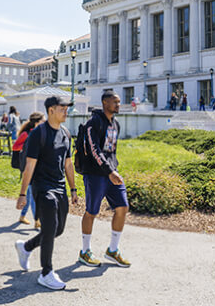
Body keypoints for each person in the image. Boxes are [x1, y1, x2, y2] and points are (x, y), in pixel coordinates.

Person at [14, 96, 78, 290]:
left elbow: (68, 164)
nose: (66, 111)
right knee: (49, 228)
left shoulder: (66, 133)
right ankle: (46, 272)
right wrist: (23, 193)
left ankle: (26, 247)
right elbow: (29, 165)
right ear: (51, 110)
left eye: (67, 108)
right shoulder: (38, 134)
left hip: (60, 187)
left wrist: (73, 189)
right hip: (42, 187)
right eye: (62, 108)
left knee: (58, 230)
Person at [78, 90, 131, 269]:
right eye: (115, 102)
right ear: (105, 103)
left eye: (118, 102)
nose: (118, 105)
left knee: (122, 207)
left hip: (111, 173)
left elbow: (112, 151)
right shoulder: (94, 122)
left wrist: (113, 169)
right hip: (95, 174)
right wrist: (109, 171)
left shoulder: (116, 124)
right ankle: (85, 252)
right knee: (91, 211)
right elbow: (94, 150)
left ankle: (113, 250)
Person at [12, 111, 45, 226]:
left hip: (37, 167)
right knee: (32, 195)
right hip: (28, 167)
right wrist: (28, 146)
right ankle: (37, 220)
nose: (44, 122)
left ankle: (22, 216)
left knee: (30, 194)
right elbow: (15, 146)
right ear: (36, 122)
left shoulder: (40, 133)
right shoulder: (26, 134)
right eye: (42, 121)